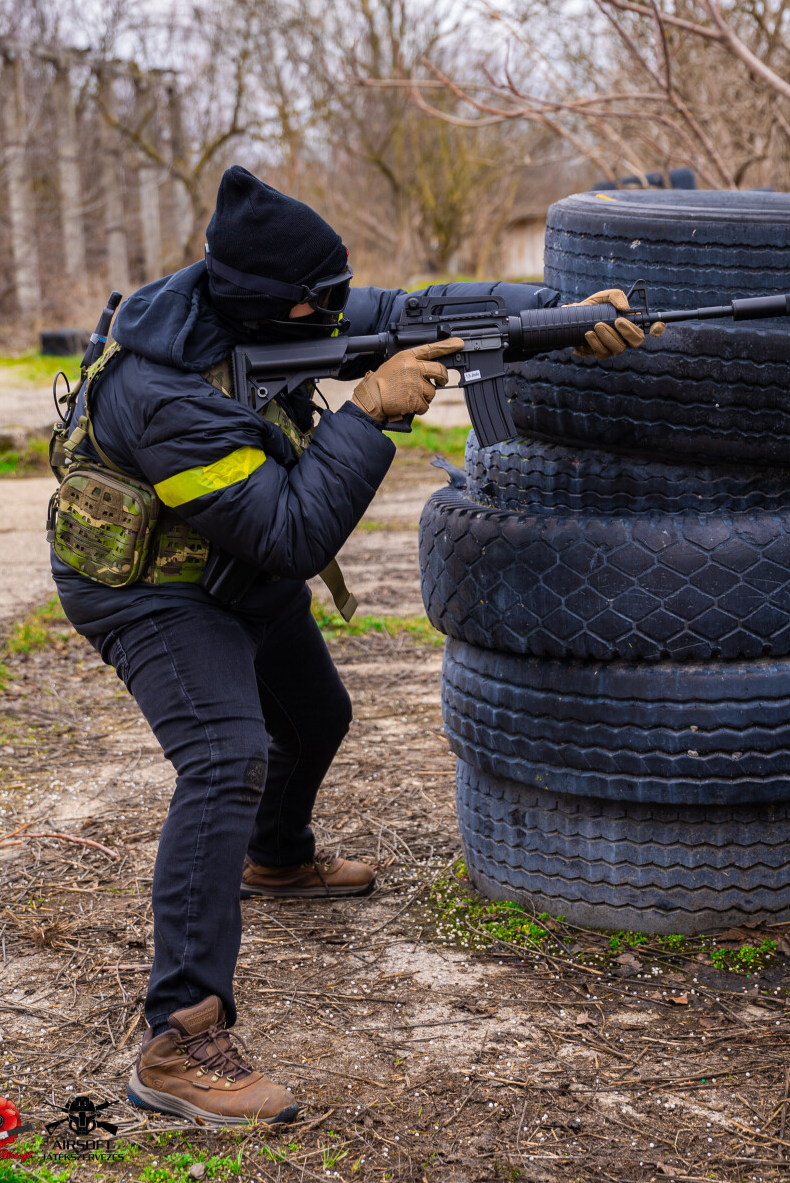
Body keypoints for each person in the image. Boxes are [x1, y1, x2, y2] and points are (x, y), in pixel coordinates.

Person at [50, 166, 663, 1126]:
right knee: (225, 757)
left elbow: (421, 309)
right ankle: (178, 1038)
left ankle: (274, 858)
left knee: (315, 717)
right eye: (319, 302)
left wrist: (557, 313)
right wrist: (367, 412)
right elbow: (291, 534)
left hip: (230, 563)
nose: (335, 310)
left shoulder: (260, 306)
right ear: (272, 301)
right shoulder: (160, 392)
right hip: (151, 592)